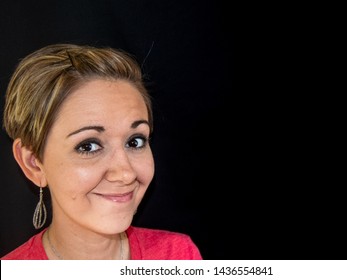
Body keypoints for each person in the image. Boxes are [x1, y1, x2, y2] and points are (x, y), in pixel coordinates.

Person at [1, 43, 202, 260]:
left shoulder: (177, 256)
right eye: (88, 146)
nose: (126, 173)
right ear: (33, 164)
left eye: (135, 142)